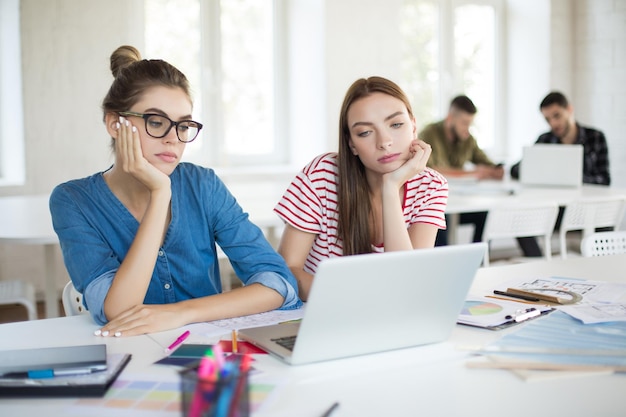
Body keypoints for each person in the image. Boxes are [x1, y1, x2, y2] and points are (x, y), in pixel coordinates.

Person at [49, 45, 301, 337]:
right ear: (114, 124)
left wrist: (181, 314)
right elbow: (117, 310)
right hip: (129, 353)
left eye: (183, 125)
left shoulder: (202, 184)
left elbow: (278, 284)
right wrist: (160, 193)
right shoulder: (73, 200)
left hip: (206, 354)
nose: (173, 138)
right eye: (156, 122)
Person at [274, 76, 448, 301]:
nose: (384, 142)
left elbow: (407, 282)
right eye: (365, 132)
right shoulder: (322, 174)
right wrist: (353, 300)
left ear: (413, 126)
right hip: (324, 310)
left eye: (396, 124)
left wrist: (391, 186)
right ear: (351, 144)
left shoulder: (431, 186)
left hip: (391, 316)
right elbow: (288, 269)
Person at [510, 91, 611, 256]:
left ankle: (603, 267)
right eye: (548, 119)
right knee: (519, 220)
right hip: (555, 211)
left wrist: (573, 178)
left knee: (606, 222)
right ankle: (538, 262)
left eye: (557, 116)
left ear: (569, 109)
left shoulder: (596, 138)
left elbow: (605, 180)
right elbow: (517, 169)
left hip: (586, 211)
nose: (554, 123)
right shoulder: (545, 140)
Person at [419, 95, 503, 246]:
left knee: (484, 213)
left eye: (469, 124)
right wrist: (474, 173)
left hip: (459, 198)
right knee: (443, 216)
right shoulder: (429, 134)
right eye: (464, 123)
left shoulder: (467, 139)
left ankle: (478, 260)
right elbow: (431, 170)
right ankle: (444, 264)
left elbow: (486, 163)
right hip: (436, 201)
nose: (467, 129)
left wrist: (495, 170)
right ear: (450, 118)